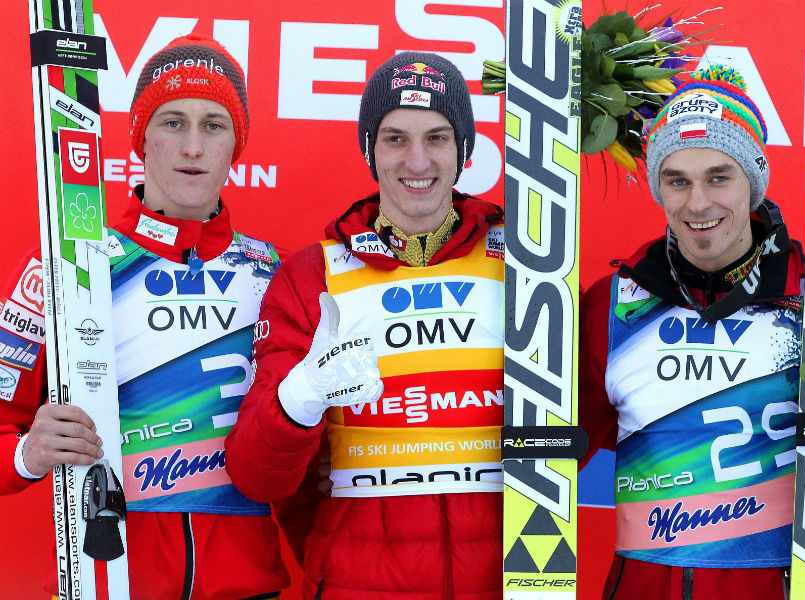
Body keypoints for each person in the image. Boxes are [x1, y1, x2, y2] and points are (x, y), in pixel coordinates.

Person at [579, 66, 805, 600]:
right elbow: (553, 452)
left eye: (719, 177)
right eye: (677, 180)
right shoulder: (612, 305)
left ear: (753, 181)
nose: (697, 203)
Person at [0, 34, 289, 599]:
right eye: (172, 122)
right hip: (109, 581)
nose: (192, 147)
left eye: (213, 125)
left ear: (236, 145)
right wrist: (25, 454)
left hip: (247, 587)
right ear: (140, 137)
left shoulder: (275, 274)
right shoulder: (67, 268)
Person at [225, 52, 505, 599]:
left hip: (503, 579)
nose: (417, 160)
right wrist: (299, 399)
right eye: (395, 138)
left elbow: (578, 427)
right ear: (370, 150)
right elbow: (257, 477)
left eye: (438, 137)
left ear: (464, 149)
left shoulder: (525, 263)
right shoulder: (313, 276)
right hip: (359, 581)